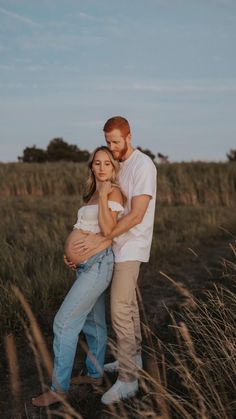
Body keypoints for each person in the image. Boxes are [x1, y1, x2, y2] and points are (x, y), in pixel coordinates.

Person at [72, 116, 157, 404]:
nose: (111, 147)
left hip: (130, 246)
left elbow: (136, 214)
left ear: (129, 136)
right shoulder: (120, 163)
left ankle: (128, 381)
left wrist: (104, 239)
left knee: (119, 308)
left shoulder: (143, 165)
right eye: (107, 142)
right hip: (116, 247)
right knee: (128, 306)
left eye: (116, 142)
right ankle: (130, 359)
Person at [32, 146, 124, 407]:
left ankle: (58, 389)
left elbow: (109, 230)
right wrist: (71, 255)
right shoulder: (91, 193)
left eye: (108, 163)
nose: (103, 168)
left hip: (98, 266)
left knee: (63, 323)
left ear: (113, 168)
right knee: (93, 324)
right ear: (92, 166)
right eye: (98, 163)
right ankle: (95, 375)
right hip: (85, 267)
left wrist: (106, 196)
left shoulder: (112, 192)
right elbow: (84, 228)